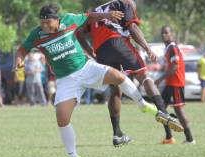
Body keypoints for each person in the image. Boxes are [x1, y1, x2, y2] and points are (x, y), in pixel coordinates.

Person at [12, 4, 181, 157]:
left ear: (56, 20)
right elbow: (22, 49)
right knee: (62, 118)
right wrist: (18, 60)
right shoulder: (37, 34)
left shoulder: (69, 19)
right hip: (66, 80)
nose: (44, 26)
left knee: (118, 77)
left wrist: (107, 16)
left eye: (47, 22)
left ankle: (144, 106)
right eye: (42, 23)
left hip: (86, 68)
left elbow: (89, 16)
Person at [77, 0, 183, 146]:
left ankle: (117, 134)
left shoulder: (97, 9)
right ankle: (163, 111)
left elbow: (79, 33)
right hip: (118, 42)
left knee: (115, 89)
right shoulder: (126, 3)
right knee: (143, 77)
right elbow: (132, 27)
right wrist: (147, 48)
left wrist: (92, 54)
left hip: (101, 51)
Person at [156, 25, 195, 144]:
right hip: (170, 83)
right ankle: (169, 137)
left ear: (172, 34)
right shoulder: (168, 48)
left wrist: (160, 79)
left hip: (176, 83)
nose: (164, 35)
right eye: (163, 33)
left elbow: (175, 66)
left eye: (167, 32)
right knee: (161, 109)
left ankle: (190, 139)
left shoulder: (173, 48)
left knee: (178, 110)